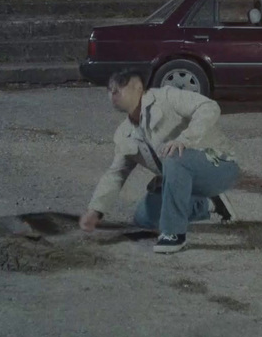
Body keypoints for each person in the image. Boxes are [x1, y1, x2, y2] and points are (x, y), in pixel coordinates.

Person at [79, 69, 238, 254]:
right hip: (180, 177)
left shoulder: (166, 97)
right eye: (110, 89)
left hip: (219, 165)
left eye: (121, 86)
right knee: (144, 218)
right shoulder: (124, 133)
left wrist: (185, 139)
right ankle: (208, 204)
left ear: (138, 87)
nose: (113, 92)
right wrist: (95, 211)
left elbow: (209, 107)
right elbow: (116, 174)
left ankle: (174, 234)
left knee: (174, 156)